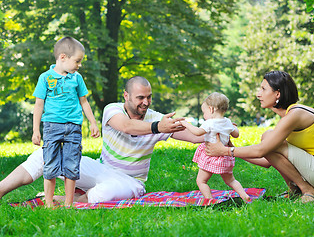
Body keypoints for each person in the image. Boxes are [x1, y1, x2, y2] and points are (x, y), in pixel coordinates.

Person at [0, 76, 203, 203]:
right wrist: (157, 127)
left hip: (131, 182)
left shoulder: (157, 118)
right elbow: (126, 126)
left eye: (149, 97)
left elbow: (195, 137)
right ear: (126, 95)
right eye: (140, 97)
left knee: (105, 193)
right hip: (101, 169)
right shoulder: (112, 110)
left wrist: (218, 131)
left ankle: (71, 199)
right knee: (44, 155)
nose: (146, 102)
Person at [205, 71, 314, 203]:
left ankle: (309, 192)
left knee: (268, 137)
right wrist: (232, 149)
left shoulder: (296, 114)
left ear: (277, 94)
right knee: (269, 139)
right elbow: (267, 161)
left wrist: (225, 151)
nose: (258, 94)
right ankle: (294, 190)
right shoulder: (288, 116)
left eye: (263, 89)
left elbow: (262, 151)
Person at [31, 37, 100, 207]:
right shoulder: (45, 78)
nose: (79, 65)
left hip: (73, 128)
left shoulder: (76, 78)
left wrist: (92, 122)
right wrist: (36, 130)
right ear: (63, 57)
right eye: (77, 61)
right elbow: (39, 105)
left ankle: (68, 205)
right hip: (52, 127)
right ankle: (48, 204)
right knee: (50, 167)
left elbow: (84, 101)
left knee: (71, 166)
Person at [181, 92, 250, 202]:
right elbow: (236, 135)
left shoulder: (209, 123)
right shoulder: (227, 122)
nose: (204, 116)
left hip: (211, 156)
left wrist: (186, 124)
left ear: (211, 109)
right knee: (231, 180)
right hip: (225, 157)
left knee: (201, 181)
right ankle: (244, 195)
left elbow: (197, 132)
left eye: (204, 112)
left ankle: (209, 200)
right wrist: (233, 127)